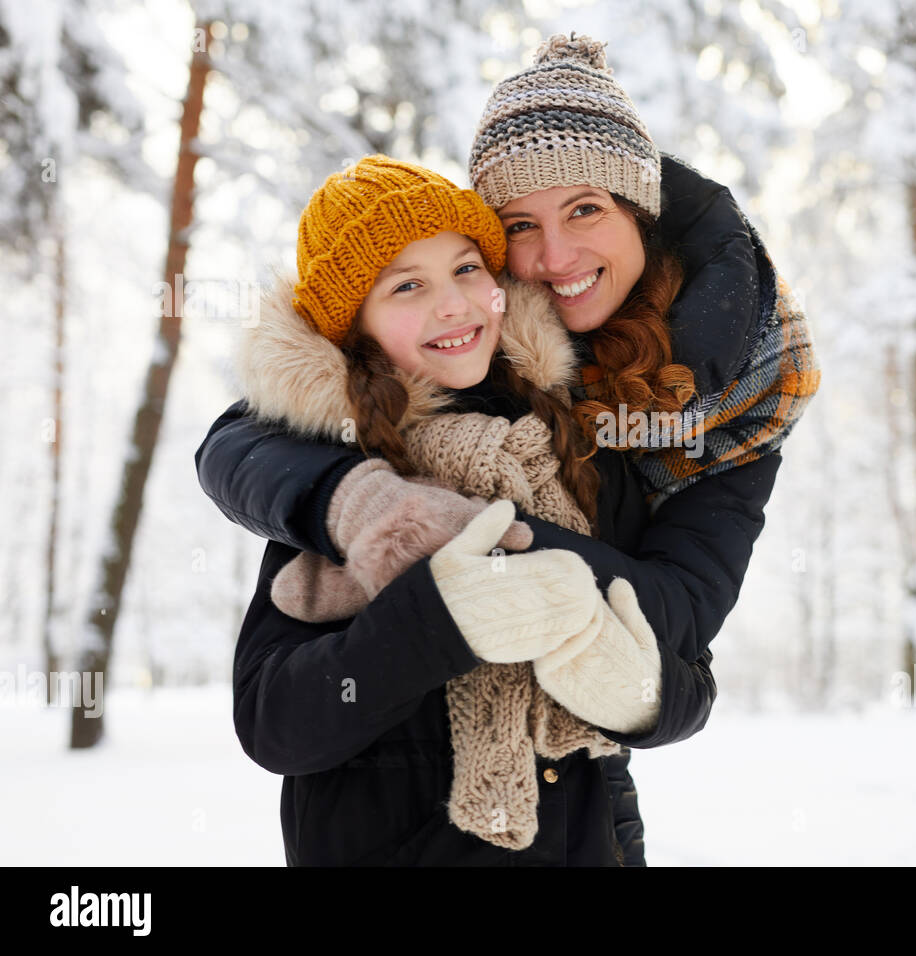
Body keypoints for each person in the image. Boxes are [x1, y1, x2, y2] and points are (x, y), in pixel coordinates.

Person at [196, 33, 820, 862]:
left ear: (640, 209)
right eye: (521, 225)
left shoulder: (626, 429)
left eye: (587, 209)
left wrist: (524, 578)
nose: (556, 256)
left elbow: (680, 662)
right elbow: (277, 715)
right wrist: (390, 542)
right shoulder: (369, 443)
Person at [230, 155, 717, 866]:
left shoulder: (575, 450)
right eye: (406, 286)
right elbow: (275, 725)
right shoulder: (355, 478)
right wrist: (435, 620)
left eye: (466, 269)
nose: (453, 304)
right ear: (356, 328)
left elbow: (690, 684)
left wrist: (627, 687)